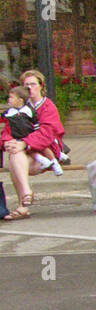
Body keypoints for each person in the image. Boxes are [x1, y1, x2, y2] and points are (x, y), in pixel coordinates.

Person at [2, 70, 65, 220]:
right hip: (24, 151)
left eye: (33, 84)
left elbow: (47, 133)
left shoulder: (48, 106)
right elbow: (7, 129)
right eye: (26, 85)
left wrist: (24, 144)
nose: (30, 88)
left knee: (15, 161)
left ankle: (23, 204)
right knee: (14, 155)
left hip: (47, 152)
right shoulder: (18, 107)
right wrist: (7, 143)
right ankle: (26, 195)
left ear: (41, 86)